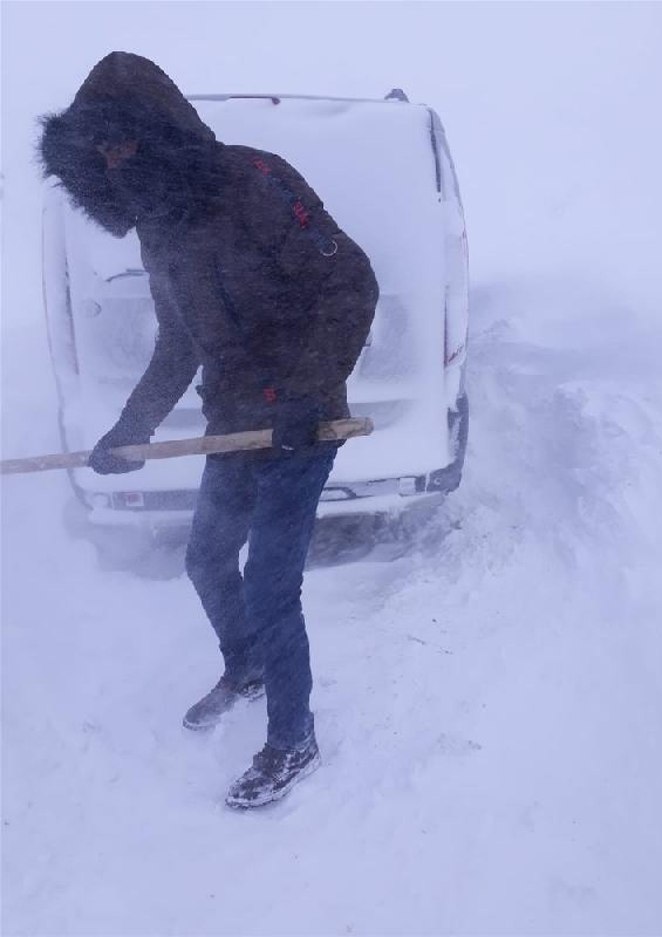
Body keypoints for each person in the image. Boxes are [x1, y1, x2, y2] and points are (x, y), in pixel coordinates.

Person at [38, 52, 378, 808]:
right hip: (233, 419)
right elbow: (177, 339)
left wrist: (307, 393)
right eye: (101, 150)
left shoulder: (257, 181)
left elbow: (348, 280)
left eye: (125, 142)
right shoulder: (156, 226)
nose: (115, 160)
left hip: (300, 421)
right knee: (205, 557)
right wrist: (130, 429)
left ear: (161, 130)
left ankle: (293, 738)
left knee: (269, 581)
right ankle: (246, 665)